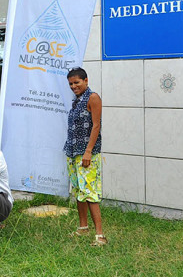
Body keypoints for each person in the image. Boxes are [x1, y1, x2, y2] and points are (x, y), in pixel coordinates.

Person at [64, 67, 106, 246]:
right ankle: (83, 227)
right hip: (73, 152)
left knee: (90, 192)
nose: (74, 86)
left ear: (86, 80)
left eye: (77, 82)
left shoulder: (93, 97)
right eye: (71, 84)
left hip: (87, 153)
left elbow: (96, 126)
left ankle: (100, 235)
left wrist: (88, 151)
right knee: (79, 191)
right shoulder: (76, 100)